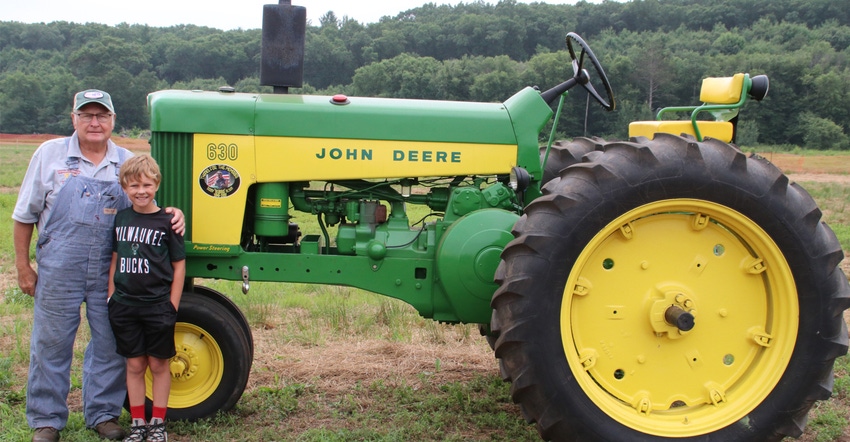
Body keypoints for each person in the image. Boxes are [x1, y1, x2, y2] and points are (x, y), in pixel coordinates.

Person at [12, 89, 184, 442]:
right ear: (73, 118)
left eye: (101, 115)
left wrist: (173, 213)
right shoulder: (50, 155)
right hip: (60, 265)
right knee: (51, 342)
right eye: (87, 115)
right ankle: (46, 420)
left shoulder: (126, 160)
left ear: (112, 120)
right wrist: (23, 266)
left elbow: (145, 204)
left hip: (111, 269)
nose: (94, 122)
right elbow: (23, 216)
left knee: (110, 342)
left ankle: (103, 414)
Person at [108, 154, 185, 442]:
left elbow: (178, 265)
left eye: (146, 185)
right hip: (125, 306)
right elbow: (115, 259)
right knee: (135, 365)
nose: (141, 191)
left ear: (157, 184)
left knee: (159, 365)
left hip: (157, 306)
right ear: (124, 188)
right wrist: (110, 298)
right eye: (133, 186)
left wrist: (172, 305)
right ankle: (138, 423)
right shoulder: (122, 218)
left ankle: (158, 424)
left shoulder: (168, 221)